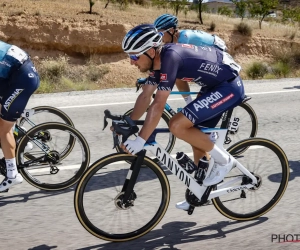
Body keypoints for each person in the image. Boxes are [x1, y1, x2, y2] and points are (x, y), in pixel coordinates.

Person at [121, 24, 243, 211]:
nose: (131, 62)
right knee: (196, 137)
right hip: (213, 86)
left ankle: (224, 161)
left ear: (152, 51)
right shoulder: (158, 62)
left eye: (135, 56)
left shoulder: (170, 58)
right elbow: (145, 96)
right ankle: (199, 191)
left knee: (176, 125)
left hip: (228, 86)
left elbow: (158, 103)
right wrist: (127, 122)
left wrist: (140, 139)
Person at [153, 13, 227, 106]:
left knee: (179, 75)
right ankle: (189, 104)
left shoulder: (184, 39)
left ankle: (191, 105)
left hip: (218, 52)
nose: (158, 37)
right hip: (208, 52)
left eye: (160, 33)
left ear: (171, 31)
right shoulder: (174, 39)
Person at [0, 41, 40, 192]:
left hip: (22, 79)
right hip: (13, 74)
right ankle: (20, 141)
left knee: (3, 129)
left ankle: (12, 175)